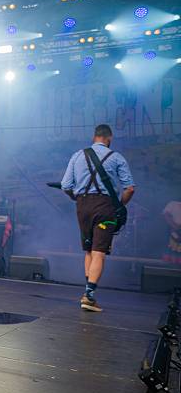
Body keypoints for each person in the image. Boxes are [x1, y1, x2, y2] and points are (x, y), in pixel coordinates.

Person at [61, 124, 135, 312]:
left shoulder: (77, 155)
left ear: (94, 137)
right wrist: (120, 205)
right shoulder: (116, 157)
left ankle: (87, 293)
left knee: (89, 250)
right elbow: (130, 188)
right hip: (105, 207)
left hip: (82, 207)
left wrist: (76, 198)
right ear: (109, 138)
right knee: (99, 251)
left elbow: (65, 185)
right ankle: (90, 296)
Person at [163, 200, 181, 264]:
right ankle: (168, 264)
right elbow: (166, 214)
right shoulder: (173, 204)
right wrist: (174, 226)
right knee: (171, 247)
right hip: (172, 229)